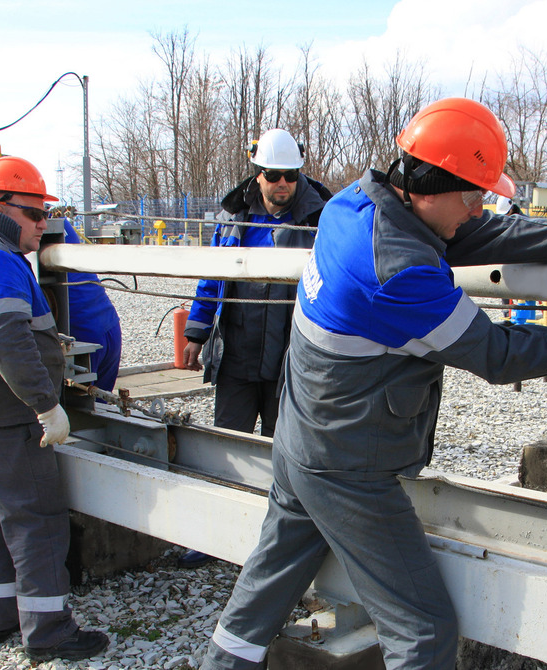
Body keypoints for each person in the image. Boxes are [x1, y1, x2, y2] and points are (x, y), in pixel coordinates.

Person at [199, 97, 547, 670]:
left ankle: (221, 663)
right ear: (430, 188)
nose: (474, 211)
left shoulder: (353, 203)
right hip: (346, 464)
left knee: (267, 584)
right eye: (471, 198)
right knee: (423, 630)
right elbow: (499, 353)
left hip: (302, 438)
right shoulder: (403, 271)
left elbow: (473, 234)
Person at [0, 156, 110, 662]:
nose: (44, 225)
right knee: (35, 517)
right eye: (35, 214)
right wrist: (45, 406)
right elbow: (8, 339)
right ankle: (48, 629)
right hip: (4, 413)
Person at [179, 129, 331, 568]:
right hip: (238, 355)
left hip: (293, 359)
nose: (282, 184)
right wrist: (196, 332)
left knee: (286, 451)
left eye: (289, 175)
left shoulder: (322, 219)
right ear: (258, 174)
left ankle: (275, 543)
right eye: (273, 175)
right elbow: (213, 276)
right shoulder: (233, 218)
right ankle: (211, 536)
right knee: (225, 443)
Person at [63, 219, 122, 392]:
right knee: (101, 404)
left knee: (80, 405)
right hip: (108, 323)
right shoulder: (61, 223)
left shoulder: (29, 228)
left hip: (80, 331)